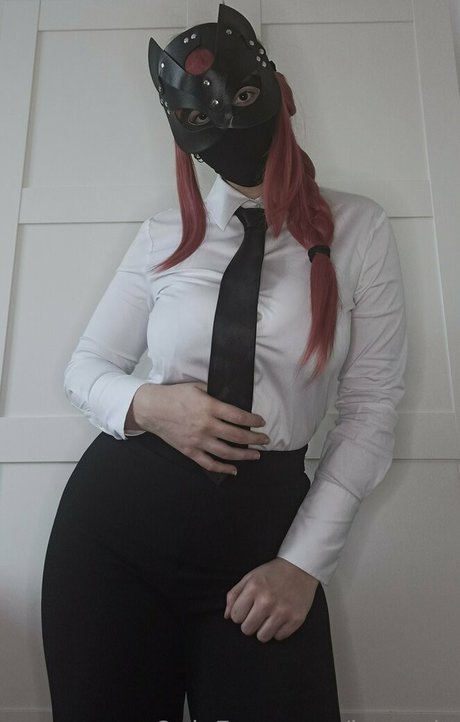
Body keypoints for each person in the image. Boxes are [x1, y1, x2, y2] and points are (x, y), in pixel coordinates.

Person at [41, 4, 407, 721]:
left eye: (241, 99)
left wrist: (302, 564)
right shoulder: (162, 236)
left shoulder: (359, 229)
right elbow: (86, 368)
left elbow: (371, 409)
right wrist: (150, 405)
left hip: (263, 546)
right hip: (115, 537)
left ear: (279, 94)